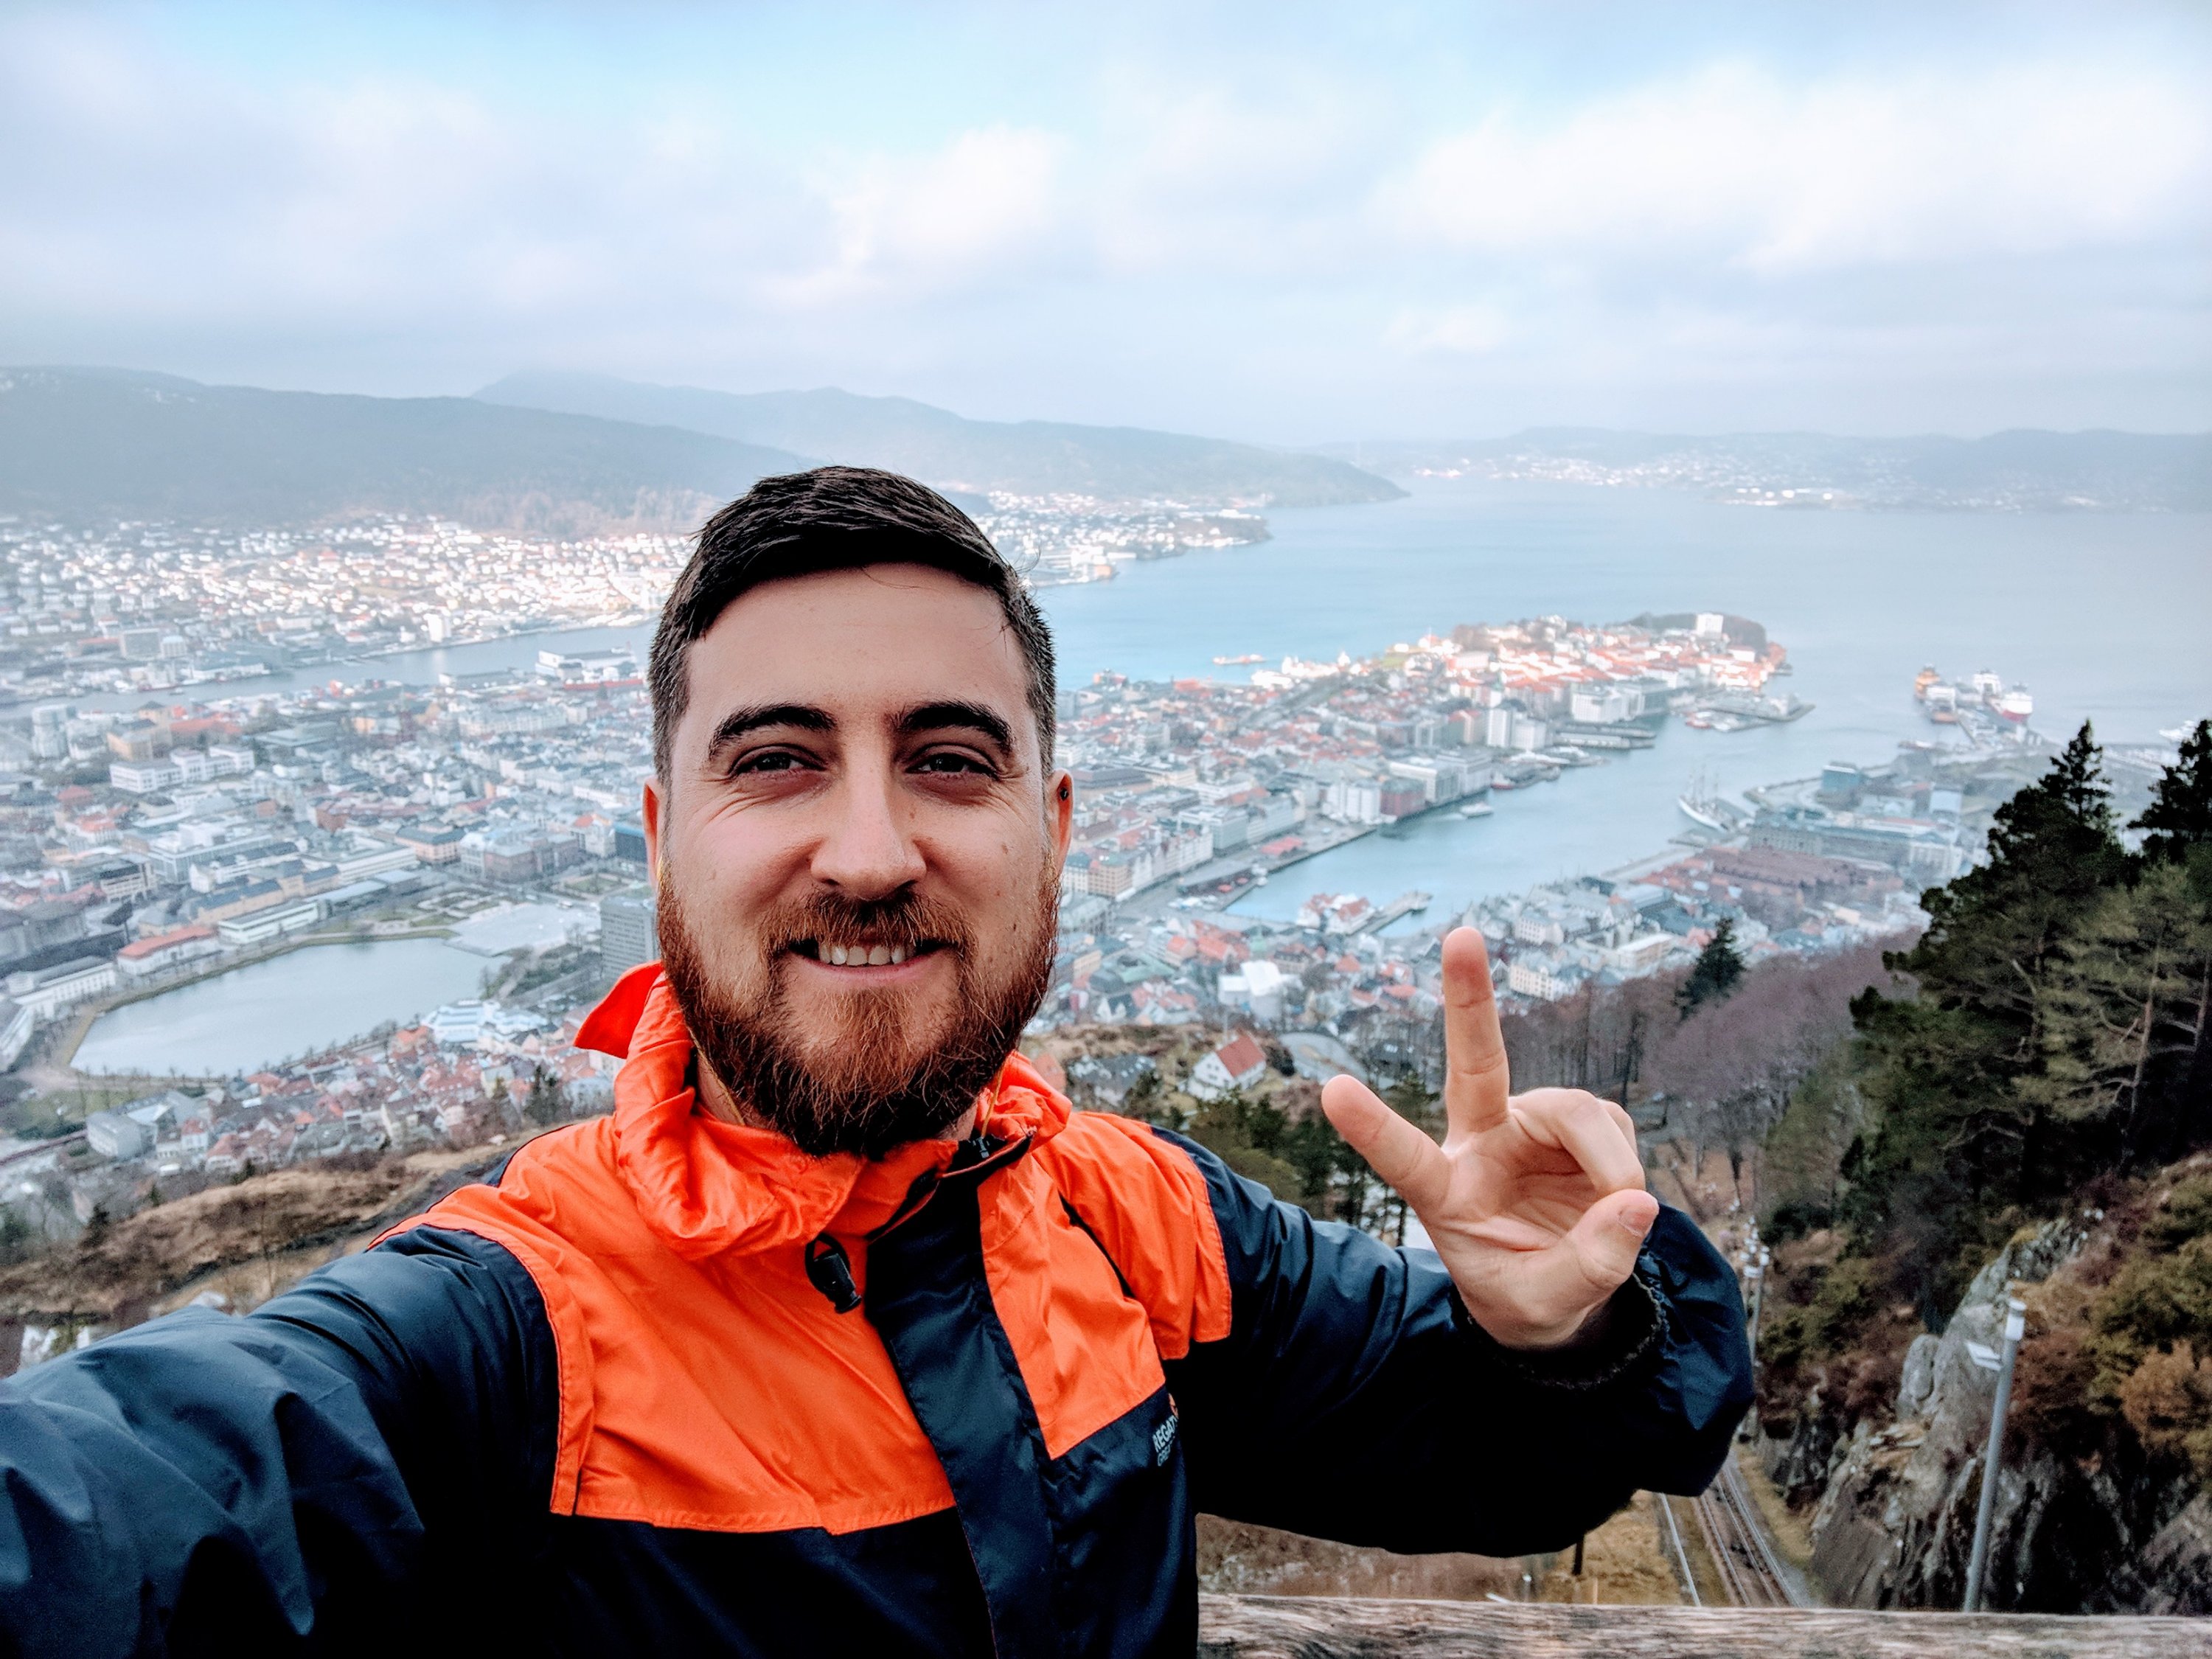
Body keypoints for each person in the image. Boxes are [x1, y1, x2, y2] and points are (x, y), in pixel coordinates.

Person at [0, 468, 1750, 1657]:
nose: (864, 850)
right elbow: (133, 1515)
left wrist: (1571, 1332)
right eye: (776, 759)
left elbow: (1502, 1463)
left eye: (949, 760)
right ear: (660, 841)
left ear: (1056, 832)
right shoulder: (505, 1331)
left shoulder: (1138, 1223)